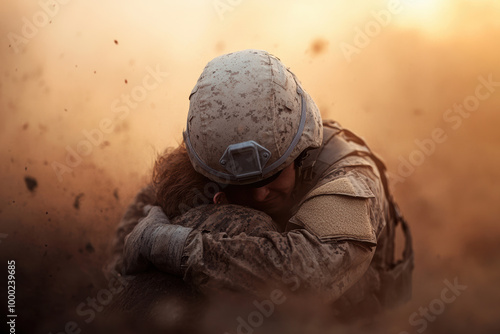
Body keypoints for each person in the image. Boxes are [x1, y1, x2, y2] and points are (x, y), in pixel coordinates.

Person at [110, 49, 414, 318]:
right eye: (237, 183)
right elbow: (137, 232)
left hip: (352, 330)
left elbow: (311, 276)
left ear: (299, 152)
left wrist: (174, 246)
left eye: (271, 175)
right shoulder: (212, 157)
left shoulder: (349, 175)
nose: (259, 192)